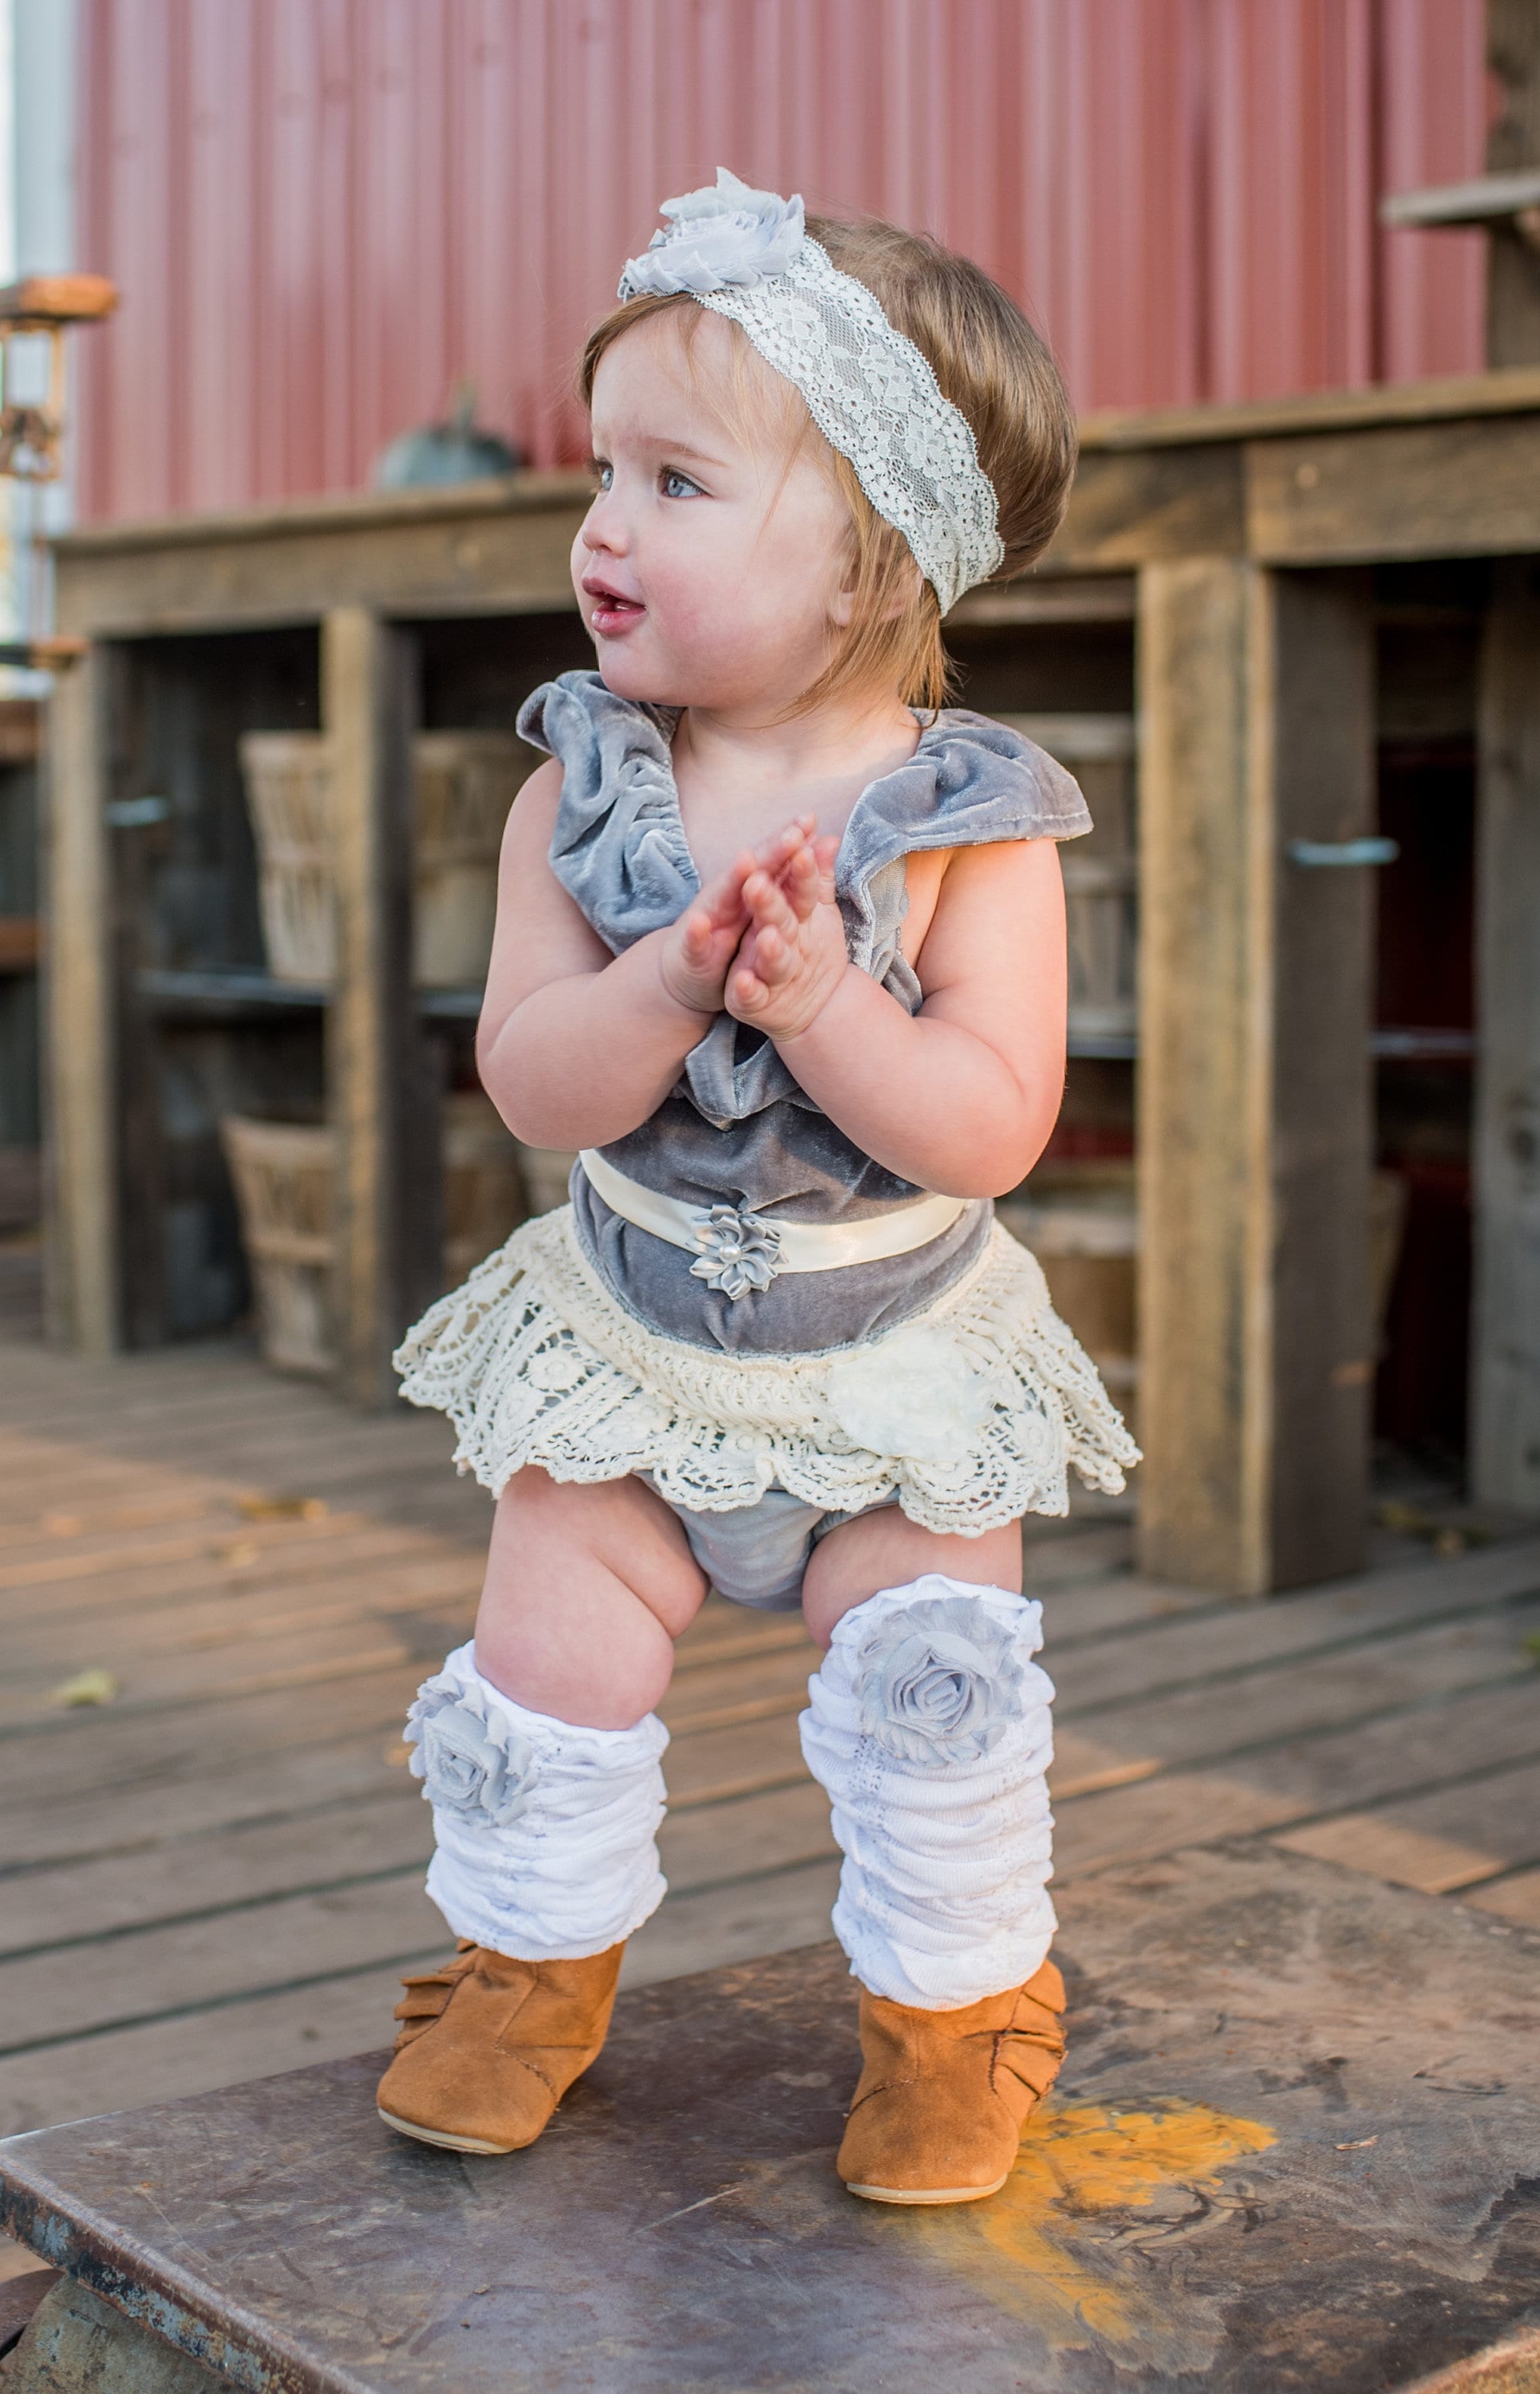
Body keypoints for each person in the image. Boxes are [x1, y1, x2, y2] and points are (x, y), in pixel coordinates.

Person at [377, 171, 1138, 2206]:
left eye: (676, 482)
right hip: (629, 1369)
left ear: (865, 562)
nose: (602, 527)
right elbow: (535, 1083)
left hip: (885, 1386)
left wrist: (819, 1008)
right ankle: (524, 1972)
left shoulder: (972, 827)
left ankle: (951, 2020)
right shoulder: (580, 788)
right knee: (543, 1679)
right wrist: (662, 982)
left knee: (935, 1710)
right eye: (599, 471)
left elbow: (984, 1126)